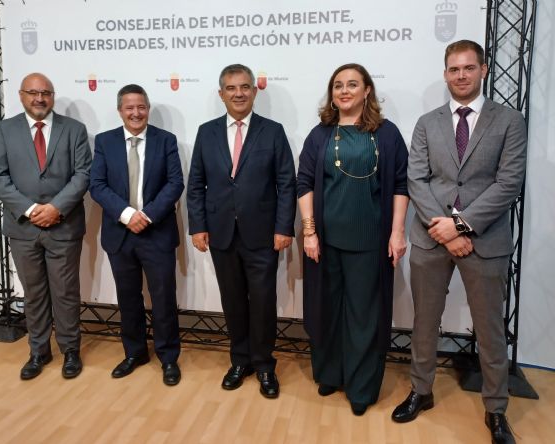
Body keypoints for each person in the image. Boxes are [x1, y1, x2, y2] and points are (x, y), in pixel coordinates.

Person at [391, 40, 527, 444]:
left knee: (489, 329)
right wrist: (446, 230)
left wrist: (462, 226)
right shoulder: (426, 123)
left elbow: (508, 184)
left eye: (469, 68)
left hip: (484, 241)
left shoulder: (509, 121)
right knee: (424, 323)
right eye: (453, 69)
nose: (461, 75)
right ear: (445, 73)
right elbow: (417, 179)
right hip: (432, 240)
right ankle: (421, 391)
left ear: (483, 70)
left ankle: (496, 409)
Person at [297, 63, 409, 415]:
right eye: (338, 85)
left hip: (370, 243)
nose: (344, 91)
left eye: (352, 84)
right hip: (326, 242)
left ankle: (360, 387)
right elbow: (304, 184)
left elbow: (401, 186)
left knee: (363, 316)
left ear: (367, 91)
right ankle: (331, 373)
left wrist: (397, 231)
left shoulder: (387, 134)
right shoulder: (320, 134)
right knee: (327, 310)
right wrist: (310, 232)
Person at [187, 64, 296, 399]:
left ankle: (264, 365)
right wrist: (198, 226)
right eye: (231, 88)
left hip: (263, 235)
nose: (238, 93)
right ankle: (240, 361)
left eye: (245, 87)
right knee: (232, 301)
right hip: (220, 234)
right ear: (221, 94)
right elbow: (195, 185)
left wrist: (283, 227)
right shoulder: (206, 132)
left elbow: (286, 184)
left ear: (254, 91)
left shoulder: (273, 131)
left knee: (263, 302)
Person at [0, 73, 92, 380]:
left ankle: (70, 350)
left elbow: (83, 174)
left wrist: (55, 208)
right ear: (21, 96)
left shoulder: (74, 130)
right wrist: (33, 210)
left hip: (64, 226)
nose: (39, 98)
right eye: (33, 93)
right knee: (33, 294)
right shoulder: (5, 130)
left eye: (45, 92)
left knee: (66, 292)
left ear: (53, 96)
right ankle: (38, 351)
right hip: (23, 228)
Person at [89, 84, 184, 386]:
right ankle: (135, 352)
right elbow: (97, 185)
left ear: (148, 109)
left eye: (141, 107)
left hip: (157, 232)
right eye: (129, 108)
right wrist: (128, 215)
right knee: (128, 298)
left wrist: (148, 215)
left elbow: (175, 183)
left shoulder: (165, 140)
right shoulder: (105, 142)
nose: (136, 113)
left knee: (163, 298)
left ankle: (168, 357)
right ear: (120, 111)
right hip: (120, 233)